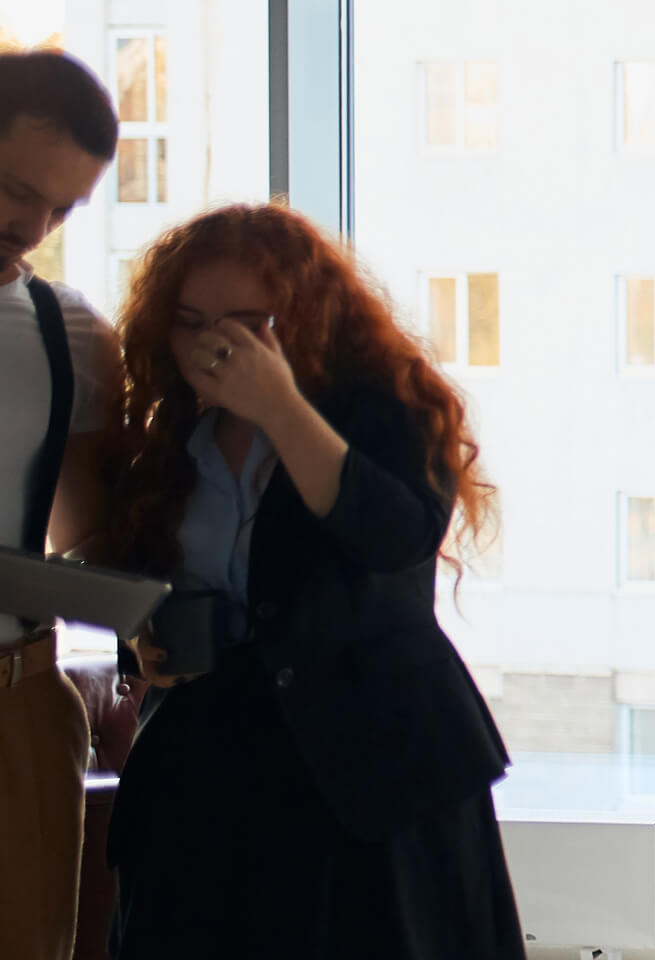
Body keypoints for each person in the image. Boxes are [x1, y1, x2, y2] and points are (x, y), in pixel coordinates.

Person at [83, 204, 522, 958]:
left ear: (307, 319)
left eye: (247, 324)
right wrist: (139, 642)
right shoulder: (166, 438)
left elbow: (395, 538)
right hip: (207, 778)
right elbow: (141, 579)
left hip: (370, 774)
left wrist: (281, 410)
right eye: (190, 321)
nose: (212, 347)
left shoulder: (392, 407)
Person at [0, 47, 120, 960]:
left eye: (61, 208)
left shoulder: (70, 333)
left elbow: (89, 538)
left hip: (16, 708)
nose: (29, 223)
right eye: (12, 189)